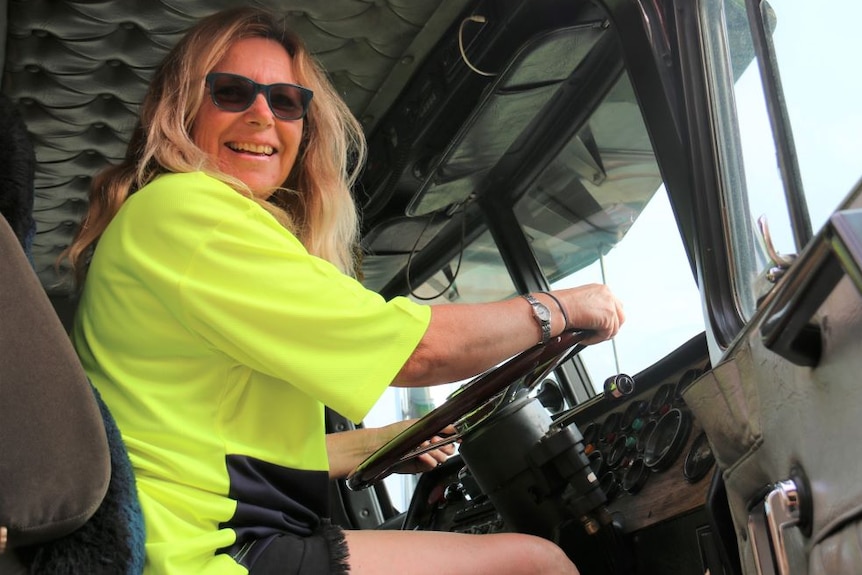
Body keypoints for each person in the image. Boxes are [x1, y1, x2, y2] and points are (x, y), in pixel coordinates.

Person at [63, 7, 625, 575]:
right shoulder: (190, 212)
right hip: (198, 554)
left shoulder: (161, 219)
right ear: (183, 109)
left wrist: (378, 442)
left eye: (285, 101)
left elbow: (208, 452)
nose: (262, 115)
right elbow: (417, 351)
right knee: (535, 563)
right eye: (232, 92)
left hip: (197, 536)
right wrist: (557, 308)